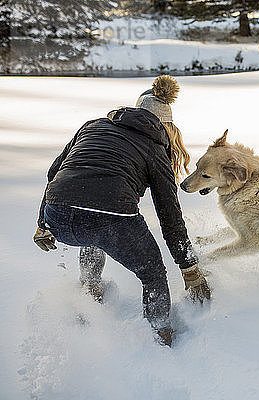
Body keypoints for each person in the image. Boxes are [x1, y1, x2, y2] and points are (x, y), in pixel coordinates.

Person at [33, 75, 210, 346]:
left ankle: (90, 292)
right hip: (109, 219)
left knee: (93, 233)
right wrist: (190, 269)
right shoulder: (155, 147)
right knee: (152, 274)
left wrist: (42, 222)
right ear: (167, 125)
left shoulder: (92, 126)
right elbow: (170, 217)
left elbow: (54, 173)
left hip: (57, 214)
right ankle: (161, 338)